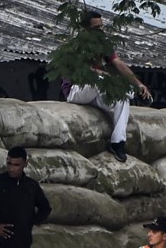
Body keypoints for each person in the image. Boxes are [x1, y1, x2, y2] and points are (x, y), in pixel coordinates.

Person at [61, 10, 153, 162]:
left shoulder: (103, 43)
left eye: (101, 27)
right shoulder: (74, 45)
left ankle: (118, 142)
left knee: (121, 99)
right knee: (100, 78)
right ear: (85, 29)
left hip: (95, 91)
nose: (100, 31)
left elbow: (118, 63)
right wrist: (101, 73)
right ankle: (131, 91)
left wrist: (139, 83)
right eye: (96, 28)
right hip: (76, 91)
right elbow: (78, 69)